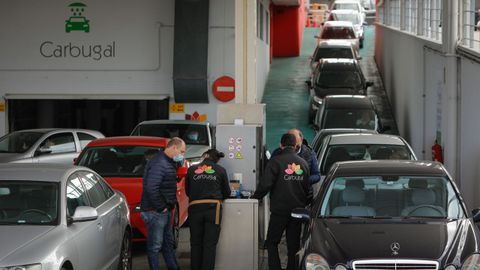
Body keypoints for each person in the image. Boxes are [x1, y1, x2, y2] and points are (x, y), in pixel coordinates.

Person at [252, 133, 312, 270]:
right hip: (297, 212)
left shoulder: (275, 162)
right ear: (296, 146)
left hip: (279, 211)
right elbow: (308, 189)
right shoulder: (303, 163)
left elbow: (265, 185)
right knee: (293, 246)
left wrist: (255, 198)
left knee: (272, 242)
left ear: (281, 145)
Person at [140, 137, 186, 270]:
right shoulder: (159, 163)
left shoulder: (169, 161)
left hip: (164, 210)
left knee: (168, 243)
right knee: (155, 246)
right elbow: (151, 187)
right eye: (182, 152)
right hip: (155, 211)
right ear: (174, 148)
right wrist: (161, 207)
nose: (183, 155)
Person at [185, 149, 231, 270]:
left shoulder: (191, 170)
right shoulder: (221, 170)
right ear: (217, 159)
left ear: (205, 156)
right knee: (209, 245)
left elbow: (187, 192)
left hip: (195, 208)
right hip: (213, 210)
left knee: (195, 243)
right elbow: (227, 193)